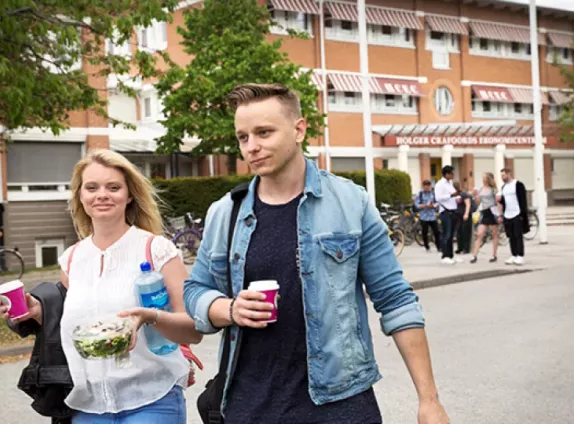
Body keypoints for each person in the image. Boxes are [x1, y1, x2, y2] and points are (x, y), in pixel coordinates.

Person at [184, 83, 449, 424]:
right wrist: (229, 309)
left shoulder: (351, 203)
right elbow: (194, 291)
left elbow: (396, 300)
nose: (252, 147)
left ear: (299, 129)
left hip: (341, 405)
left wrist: (429, 400)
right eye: (242, 137)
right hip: (248, 406)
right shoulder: (226, 213)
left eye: (263, 132)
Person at [3, 149, 202, 424]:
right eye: (92, 187)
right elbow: (77, 323)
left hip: (152, 399)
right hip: (88, 406)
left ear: (129, 194)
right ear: (80, 196)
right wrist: (39, 311)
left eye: (113, 187)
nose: (102, 195)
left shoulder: (156, 249)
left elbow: (193, 328)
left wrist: (151, 317)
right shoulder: (72, 259)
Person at [499, 168, 530, 265]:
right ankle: (514, 254)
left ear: (509, 174)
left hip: (517, 213)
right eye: (501, 175)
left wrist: (522, 214)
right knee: (511, 236)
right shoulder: (504, 187)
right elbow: (504, 201)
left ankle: (520, 255)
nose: (502, 177)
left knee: (518, 235)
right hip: (507, 214)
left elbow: (523, 200)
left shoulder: (518, 185)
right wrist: (500, 201)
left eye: (503, 175)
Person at [470, 173, 501, 264]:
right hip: (484, 212)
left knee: (494, 234)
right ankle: (474, 255)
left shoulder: (493, 190)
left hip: (492, 212)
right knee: (479, 234)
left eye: (485, 178)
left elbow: (497, 202)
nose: (483, 180)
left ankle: (494, 255)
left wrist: (499, 214)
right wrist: (476, 195)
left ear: (489, 179)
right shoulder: (480, 189)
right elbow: (479, 202)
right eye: (482, 178)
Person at [434, 165, 460, 265]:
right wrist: (451, 195)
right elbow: (438, 198)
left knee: (452, 234)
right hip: (445, 211)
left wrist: (457, 197)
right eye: (452, 173)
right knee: (446, 234)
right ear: (447, 174)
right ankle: (445, 255)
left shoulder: (450, 184)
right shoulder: (440, 184)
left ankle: (451, 255)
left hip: (453, 211)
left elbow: (454, 196)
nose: (453, 175)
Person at [415, 180, 441, 252]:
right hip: (424, 216)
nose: (428, 188)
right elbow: (417, 205)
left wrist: (434, 205)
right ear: (423, 186)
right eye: (426, 186)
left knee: (436, 231)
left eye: (429, 186)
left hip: (432, 216)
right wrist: (425, 205)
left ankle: (439, 246)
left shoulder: (433, 193)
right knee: (425, 232)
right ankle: (427, 246)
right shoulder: (420, 194)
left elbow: (437, 202)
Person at [454, 181, 473, 256]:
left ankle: (466, 248)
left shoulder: (463, 194)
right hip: (458, 216)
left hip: (464, 215)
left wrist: (466, 213)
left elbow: (468, 204)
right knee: (459, 232)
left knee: (465, 232)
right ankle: (460, 248)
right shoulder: (455, 195)